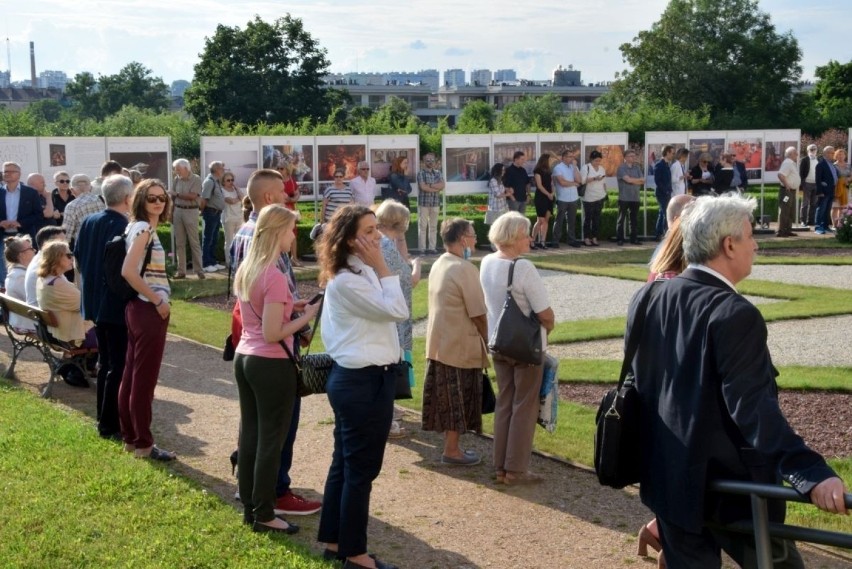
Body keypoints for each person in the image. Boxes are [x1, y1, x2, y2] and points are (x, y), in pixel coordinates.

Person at [628, 193, 848, 568]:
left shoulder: (647, 296)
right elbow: (753, 408)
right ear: (728, 245)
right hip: (728, 490)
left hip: (667, 476)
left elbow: (647, 387)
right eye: (750, 235)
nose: (757, 244)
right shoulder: (734, 313)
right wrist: (810, 472)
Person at [315, 204, 409, 569]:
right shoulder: (349, 280)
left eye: (377, 229)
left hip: (367, 379)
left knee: (346, 463)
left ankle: (335, 538)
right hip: (361, 381)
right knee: (360, 470)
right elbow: (398, 311)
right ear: (351, 240)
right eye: (370, 232)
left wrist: (381, 267)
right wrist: (385, 268)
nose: (379, 237)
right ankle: (354, 553)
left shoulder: (360, 271)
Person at [230, 169, 322, 518]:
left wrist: (289, 307)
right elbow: (273, 331)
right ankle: (267, 506)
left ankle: (251, 496)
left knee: (251, 433)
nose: (293, 236)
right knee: (272, 436)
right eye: (290, 230)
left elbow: (255, 306)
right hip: (270, 358)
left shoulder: (249, 263)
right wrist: (304, 318)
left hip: (246, 353)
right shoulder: (274, 272)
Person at [480, 212, 554, 485]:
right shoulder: (522, 267)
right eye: (526, 234)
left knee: (506, 403)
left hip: (499, 341)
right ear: (513, 237)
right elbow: (545, 313)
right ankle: (515, 470)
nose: (530, 238)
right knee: (524, 405)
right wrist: (549, 329)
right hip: (525, 345)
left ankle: (501, 466)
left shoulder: (487, 262)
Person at [422, 217, 488, 464]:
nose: (475, 239)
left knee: (449, 400)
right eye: (472, 234)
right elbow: (479, 313)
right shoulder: (464, 268)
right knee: (457, 401)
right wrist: (487, 339)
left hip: (441, 342)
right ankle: (452, 450)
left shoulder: (440, 262)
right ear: (463, 239)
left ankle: (451, 448)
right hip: (458, 344)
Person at [119, 179, 175, 461]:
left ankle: (131, 438)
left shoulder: (140, 227)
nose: (157, 202)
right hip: (147, 309)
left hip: (137, 308)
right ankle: (143, 443)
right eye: (151, 198)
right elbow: (128, 271)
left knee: (132, 375)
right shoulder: (142, 228)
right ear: (140, 200)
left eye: (162, 197)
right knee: (143, 379)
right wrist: (157, 301)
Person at [75, 174, 134, 440]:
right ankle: (109, 423)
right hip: (114, 304)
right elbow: (121, 271)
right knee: (116, 365)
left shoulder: (89, 221)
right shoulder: (123, 226)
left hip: (95, 301)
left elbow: (77, 256)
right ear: (127, 199)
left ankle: (104, 417)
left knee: (107, 363)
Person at [376, 200, 422, 438]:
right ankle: (387, 419)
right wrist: (417, 268)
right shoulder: (384, 243)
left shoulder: (381, 239)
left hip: (385, 312)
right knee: (391, 364)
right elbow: (408, 279)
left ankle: (389, 411)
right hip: (391, 315)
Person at [35, 240, 95, 347]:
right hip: (74, 335)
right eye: (68, 255)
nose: (72, 258)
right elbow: (87, 306)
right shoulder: (56, 284)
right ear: (56, 258)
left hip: (61, 331)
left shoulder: (46, 279)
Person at [1, 161, 43, 282]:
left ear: (19, 174)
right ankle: (6, 292)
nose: (7, 174)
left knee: (27, 264)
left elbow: (38, 215)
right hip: (3, 235)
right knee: (3, 265)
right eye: (5, 171)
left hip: (23, 235)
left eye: (10, 171)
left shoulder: (30, 193)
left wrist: (20, 223)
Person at [170, 158, 205, 280]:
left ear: (186, 168)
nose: (176, 172)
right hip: (178, 210)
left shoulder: (196, 179)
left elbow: (193, 196)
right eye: (176, 169)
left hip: (191, 211)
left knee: (194, 241)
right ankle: (181, 271)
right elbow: (173, 198)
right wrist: (171, 211)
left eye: (178, 169)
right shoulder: (176, 179)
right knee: (179, 243)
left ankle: (199, 271)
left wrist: (177, 195)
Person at [25, 225, 67, 307]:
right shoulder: (45, 264)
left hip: (42, 313)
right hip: (45, 316)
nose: (66, 246)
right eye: (61, 242)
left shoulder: (42, 259)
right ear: (46, 244)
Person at [3, 236, 36, 331]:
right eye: (30, 248)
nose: (34, 250)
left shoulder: (18, 273)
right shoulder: (19, 276)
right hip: (28, 324)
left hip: (24, 321)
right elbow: (35, 301)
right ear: (21, 255)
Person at [62, 174, 104, 248]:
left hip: (84, 247)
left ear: (72, 190)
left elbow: (66, 235)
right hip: (104, 244)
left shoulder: (71, 206)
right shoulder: (103, 200)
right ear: (91, 188)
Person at [551, 149, 582, 248]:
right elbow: (562, 183)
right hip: (562, 198)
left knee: (572, 220)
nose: (572, 158)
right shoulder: (558, 168)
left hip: (573, 197)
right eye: (569, 157)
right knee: (559, 220)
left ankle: (571, 240)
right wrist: (573, 184)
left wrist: (575, 167)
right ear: (564, 157)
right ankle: (555, 241)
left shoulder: (573, 167)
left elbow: (579, 180)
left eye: (572, 157)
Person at [200, 161, 226, 272]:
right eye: (222, 168)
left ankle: (212, 261)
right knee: (208, 238)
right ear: (216, 169)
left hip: (216, 213)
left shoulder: (216, 181)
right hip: (211, 212)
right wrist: (201, 211)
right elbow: (204, 199)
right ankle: (206, 263)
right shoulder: (209, 181)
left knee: (214, 239)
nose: (223, 171)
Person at [416, 153, 444, 254]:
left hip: (435, 203)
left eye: (432, 160)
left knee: (433, 227)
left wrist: (430, 185)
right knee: (423, 227)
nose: (430, 162)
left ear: (435, 162)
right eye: (428, 160)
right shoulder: (421, 173)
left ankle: (432, 248)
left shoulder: (438, 173)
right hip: (424, 203)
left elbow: (442, 185)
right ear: (424, 162)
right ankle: (422, 249)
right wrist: (435, 188)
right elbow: (423, 187)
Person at [616, 150, 644, 246]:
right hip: (624, 197)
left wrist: (632, 181)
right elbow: (627, 180)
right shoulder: (621, 168)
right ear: (625, 157)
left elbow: (643, 180)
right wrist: (636, 180)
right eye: (631, 156)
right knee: (621, 219)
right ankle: (620, 239)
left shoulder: (637, 167)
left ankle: (634, 239)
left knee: (634, 220)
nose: (633, 157)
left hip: (635, 197)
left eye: (634, 155)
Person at [580, 150, 607, 247]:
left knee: (597, 218)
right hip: (588, 197)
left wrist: (605, 193)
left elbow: (604, 182)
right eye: (596, 160)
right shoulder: (586, 167)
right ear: (591, 159)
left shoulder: (602, 168)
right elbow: (582, 181)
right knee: (588, 218)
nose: (598, 163)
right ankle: (586, 238)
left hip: (600, 196)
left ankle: (594, 237)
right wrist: (595, 178)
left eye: (599, 160)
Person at [221, 171, 246, 269]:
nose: (231, 182)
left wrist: (237, 189)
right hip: (228, 218)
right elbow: (230, 201)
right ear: (223, 182)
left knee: (238, 240)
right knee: (229, 240)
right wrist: (238, 199)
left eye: (232, 180)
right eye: (228, 180)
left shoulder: (235, 190)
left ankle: (238, 260)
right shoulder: (222, 190)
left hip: (239, 217)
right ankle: (229, 261)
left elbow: (243, 198)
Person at [278, 164, 302, 266]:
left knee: (293, 234)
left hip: (290, 209)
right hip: (280, 210)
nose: (279, 170)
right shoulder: (277, 181)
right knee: (280, 234)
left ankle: (294, 258)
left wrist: (292, 199)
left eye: (281, 168)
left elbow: (297, 193)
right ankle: (281, 259)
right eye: (278, 168)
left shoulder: (292, 181)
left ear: (287, 170)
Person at [531, 153, 555, 249]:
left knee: (546, 220)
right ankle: (532, 241)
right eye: (550, 159)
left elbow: (552, 183)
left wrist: (553, 193)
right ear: (545, 160)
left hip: (549, 197)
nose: (552, 161)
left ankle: (542, 242)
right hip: (541, 197)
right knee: (540, 220)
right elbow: (540, 186)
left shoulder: (549, 171)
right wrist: (548, 194)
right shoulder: (537, 171)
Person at [776, 146, 800, 238]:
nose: (797, 154)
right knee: (785, 210)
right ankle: (781, 231)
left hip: (791, 191)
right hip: (787, 191)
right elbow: (780, 174)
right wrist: (787, 185)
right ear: (790, 154)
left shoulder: (791, 163)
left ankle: (787, 230)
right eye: (795, 153)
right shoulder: (787, 163)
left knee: (790, 210)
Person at [814, 146, 837, 235]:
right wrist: (819, 192)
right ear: (826, 153)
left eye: (833, 152)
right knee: (821, 209)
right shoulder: (820, 164)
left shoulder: (832, 164)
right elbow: (818, 180)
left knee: (827, 209)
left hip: (831, 190)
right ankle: (818, 227)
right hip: (823, 191)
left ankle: (825, 226)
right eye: (831, 152)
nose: (833, 154)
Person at [653, 146, 674, 239]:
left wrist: (669, 190)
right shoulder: (659, 164)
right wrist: (665, 190)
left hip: (667, 193)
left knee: (662, 213)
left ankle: (658, 234)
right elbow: (657, 180)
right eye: (672, 153)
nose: (673, 155)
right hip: (662, 193)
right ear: (667, 153)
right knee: (666, 213)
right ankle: (665, 234)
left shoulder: (666, 164)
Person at [798, 144, 819, 227]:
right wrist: (801, 185)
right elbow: (801, 173)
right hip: (806, 183)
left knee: (814, 203)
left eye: (814, 149)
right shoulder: (804, 160)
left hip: (816, 184)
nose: (813, 150)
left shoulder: (819, 160)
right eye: (811, 149)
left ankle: (811, 220)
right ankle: (803, 220)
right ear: (808, 150)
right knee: (805, 203)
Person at [486, 163, 512, 227]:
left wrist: (508, 189)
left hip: (502, 207)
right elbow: (498, 195)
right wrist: (508, 194)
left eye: (504, 170)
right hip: (495, 208)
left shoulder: (499, 180)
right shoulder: (493, 180)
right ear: (498, 171)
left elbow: (501, 189)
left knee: (502, 227)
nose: (504, 172)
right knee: (496, 227)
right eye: (502, 170)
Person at [832, 148, 849, 229]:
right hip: (836, 188)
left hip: (846, 188)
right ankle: (834, 225)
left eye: (842, 154)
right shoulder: (833, 166)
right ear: (836, 156)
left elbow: (851, 175)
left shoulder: (848, 165)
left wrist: (848, 180)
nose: (840, 156)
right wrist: (840, 181)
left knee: (843, 207)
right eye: (839, 154)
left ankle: (841, 225)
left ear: (845, 156)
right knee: (835, 207)